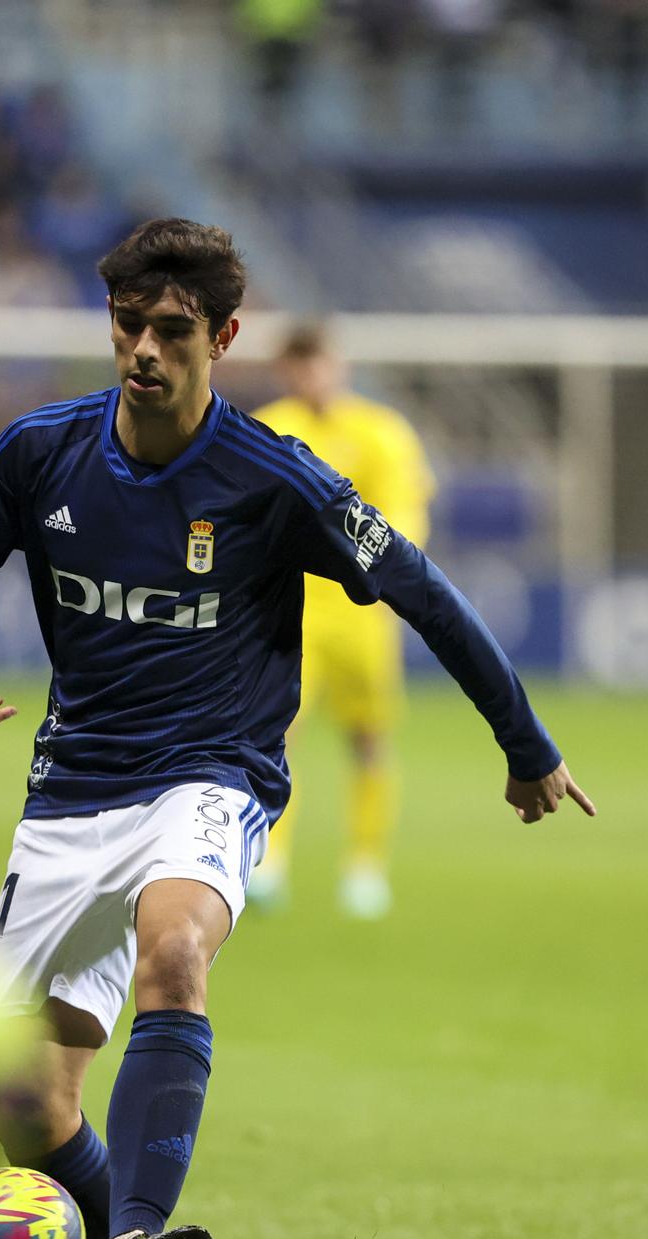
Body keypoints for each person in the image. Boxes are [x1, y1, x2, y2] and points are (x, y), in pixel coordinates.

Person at [0, 218, 595, 1239]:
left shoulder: (273, 478)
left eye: (172, 331)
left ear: (223, 336)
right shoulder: (38, 454)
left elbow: (423, 589)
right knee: (25, 1098)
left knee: (175, 945)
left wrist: (525, 742)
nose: (144, 351)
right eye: (127, 326)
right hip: (70, 791)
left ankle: (127, 1238)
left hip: (213, 775)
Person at [254, 323, 435, 918]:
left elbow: (406, 521)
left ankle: (365, 867)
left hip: (361, 618)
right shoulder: (270, 427)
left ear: (339, 365)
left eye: (320, 364)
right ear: (286, 371)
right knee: (276, 740)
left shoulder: (380, 431)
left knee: (368, 741)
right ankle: (268, 862)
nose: (312, 377)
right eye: (300, 366)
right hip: (290, 613)